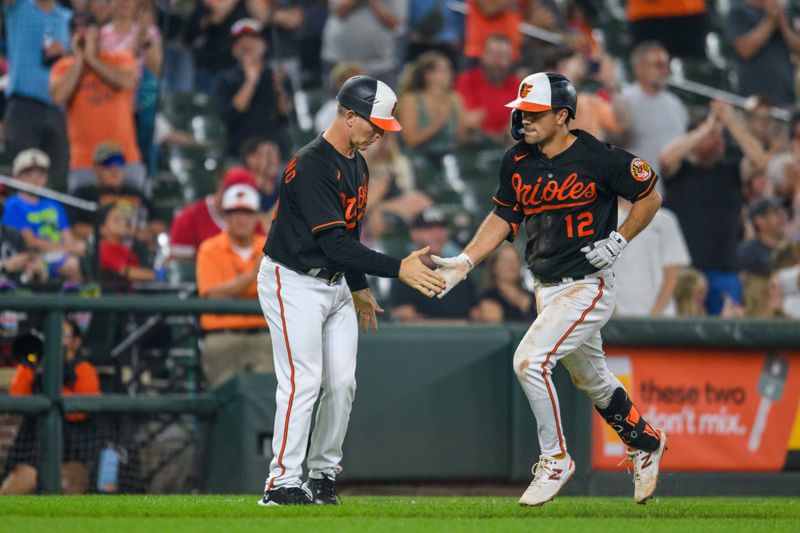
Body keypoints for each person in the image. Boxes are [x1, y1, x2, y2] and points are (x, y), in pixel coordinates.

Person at [432, 72, 667, 506]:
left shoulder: (598, 156)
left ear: (563, 116)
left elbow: (649, 194)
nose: (524, 120)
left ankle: (556, 458)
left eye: (535, 113)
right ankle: (645, 440)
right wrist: (466, 260)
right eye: (521, 112)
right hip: (545, 286)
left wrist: (619, 239)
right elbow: (505, 215)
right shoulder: (517, 160)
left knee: (529, 361)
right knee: (592, 379)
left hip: (587, 285)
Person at [256, 75, 445, 506]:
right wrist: (398, 269)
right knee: (303, 380)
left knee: (342, 383)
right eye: (374, 123)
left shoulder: (356, 160)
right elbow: (334, 242)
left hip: (336, 281)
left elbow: (350, 234)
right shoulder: (312, 164)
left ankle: (322, 476)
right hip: (294, 280)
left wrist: (358, 286)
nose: (380, 132)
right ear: (349, 115)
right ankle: (280, 482)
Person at [660, 101, 769, 314]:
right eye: (713, 137)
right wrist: (705, 128)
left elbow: (760, 162)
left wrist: (732, 123)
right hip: (685, 271)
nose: (720, 142)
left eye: (721, 136)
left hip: (725, 269)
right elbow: (665, 159)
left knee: (726, 334)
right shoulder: (680, 171)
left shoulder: (732, 170)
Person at [49, 11, 145, 193]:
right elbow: (59, 96)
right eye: (76, 28)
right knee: (84, 217)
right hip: (84, 162)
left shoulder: (120, 58)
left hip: (124, 160)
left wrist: (92, 59)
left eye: (87, 27)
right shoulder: (62, 67)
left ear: (99, 32)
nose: (82, 32)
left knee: (130, 214)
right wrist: (79, 61)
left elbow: (127, 81)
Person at [0, 320, 100, 495]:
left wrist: (55, 383)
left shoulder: (84, 369)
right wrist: (35, 368)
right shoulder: (35, 365)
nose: (57, 340)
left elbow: (80, 412)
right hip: (34, 449)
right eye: (52, 335)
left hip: (73, 448)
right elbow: (17, 396)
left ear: (76, 342)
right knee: (8, 492)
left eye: (65, 335)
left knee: (69, 485)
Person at [196, 183, 272, 388]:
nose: (241, 218)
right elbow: (213, 296)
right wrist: (252, 276)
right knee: (223, 401)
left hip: (265, 335)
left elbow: (280, 294)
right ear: (226, 216)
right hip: (223, 337)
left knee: (267, 401)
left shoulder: (271, 246)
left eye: (247, 212)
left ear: (256, 216)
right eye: (234, 212)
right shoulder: (209, 249)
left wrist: (234, 288)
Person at [2, 0, 72, 189]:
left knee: (56, 177)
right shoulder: (19, 6)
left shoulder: (66, 17)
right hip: (23, 105)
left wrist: (64, 52)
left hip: (57, 108)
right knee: (21, 170)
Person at [214, 18, 293, 158]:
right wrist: (251, 81)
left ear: (264, 45)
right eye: (240, 40)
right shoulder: (226, 79)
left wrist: (279, 89)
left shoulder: (277, 76)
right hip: (239, 153)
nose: (246, 43)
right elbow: (228, 117)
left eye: (253, 38)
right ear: (233, 49)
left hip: (274, 153)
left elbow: (288, 115)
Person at [1, 149, 84, 282]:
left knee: (82, 258)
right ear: (16, 177)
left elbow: (67, 234)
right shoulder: (13, 204)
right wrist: (67, 249)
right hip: (32, 256)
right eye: (28, 173)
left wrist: (72, 247)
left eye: (40, 174)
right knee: (72, 265)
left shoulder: (54, 205)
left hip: (61, 254)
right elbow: (29, 241)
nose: (35, 179)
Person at [389, 208, 478, 322]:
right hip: (425, 338)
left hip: (463, 337)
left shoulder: (458, 268)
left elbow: (476, 313)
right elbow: (405, 317)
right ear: (414, 233)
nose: (437, 235)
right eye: (429, 228)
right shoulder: (405, 271)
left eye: (441, 228)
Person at [620, 41, 688, 184]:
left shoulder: (676, 105)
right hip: (629, 190)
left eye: (666, 65)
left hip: (666, 190)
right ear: (639, 69)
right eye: (658, 65)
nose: (665, 71)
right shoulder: (624, 99)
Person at [613, 199, 690, 317]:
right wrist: (613, 312)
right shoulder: (607, 220)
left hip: (660, 319)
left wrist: (655, 316)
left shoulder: (665, 220)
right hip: (618, 317)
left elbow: (671, 274)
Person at [396, 51, 482, 156]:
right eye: (443, 70)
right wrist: (437, 124)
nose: (449, 74)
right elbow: (410, 140)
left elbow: (462, 141)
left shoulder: (455, 99)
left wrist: (469, 126)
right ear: (428, 75)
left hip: (450, 157)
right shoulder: (411, 99)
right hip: (420, 158)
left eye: (449, 70)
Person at [168, 167, 263, 261]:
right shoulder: (189, 217)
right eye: (236, 193)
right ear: (221, 188)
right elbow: (180, 267)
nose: (243, 218)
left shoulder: (252, 221)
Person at [70, 142, 153, 241]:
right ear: (96, 167)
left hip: (136, 248)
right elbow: (74, 228)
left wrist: (143, 231)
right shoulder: (83, 194)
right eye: (108, 163)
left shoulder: (136, 192)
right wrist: (111, 232)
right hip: (100, 248)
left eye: (119, 162)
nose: (114, 169)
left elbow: (159, 223)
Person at [726, 0, 800, 106]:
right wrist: (770, 21)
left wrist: (783, 25)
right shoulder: (738, 12)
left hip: (785, 97)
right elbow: (745, 50)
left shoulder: (783, 12)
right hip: (755, 101)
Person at [321, 0, 408, 88]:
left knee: (384, 100)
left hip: (379, 65)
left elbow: (395, 24)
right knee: (335, 101)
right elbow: (338, 11)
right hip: (339, 61)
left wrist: (374, 3)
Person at [454, 34, 520, 145]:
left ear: (510, 59)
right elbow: (467, 121)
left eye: (502, 56)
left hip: (506, 147)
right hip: (472, 146)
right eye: (493, 55)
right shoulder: (466, 80)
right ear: (483, 55)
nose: (497, 62)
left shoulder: (518, 85)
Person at [97, 202, 157, 286]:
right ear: (102, 228)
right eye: (117, 220)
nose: (123, 223)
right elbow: (126, 272)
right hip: (113, 297)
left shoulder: (126, 249)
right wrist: (156, 275)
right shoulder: (103, 248)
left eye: (123, 219)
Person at [477, 242, 536, 323]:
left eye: (515, 259)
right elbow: (497, 331)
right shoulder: (489, 296)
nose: (512, 264)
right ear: (493, 267)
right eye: (505, 260)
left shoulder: (533, 296)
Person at [738, 197, 787, 277]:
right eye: (775, 212)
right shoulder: (748, 252)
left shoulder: (790, 248)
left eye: (782, 211)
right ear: (759, 221)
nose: (783, 217)